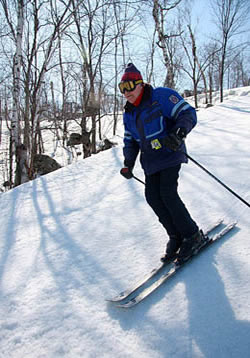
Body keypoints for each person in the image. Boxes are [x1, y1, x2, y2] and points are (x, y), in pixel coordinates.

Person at [119, 63, 207, 263]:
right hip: (150, 162)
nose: (126, 93)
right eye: (122, 88)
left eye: (130, 86)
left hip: (170, 152)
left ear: (141, 84)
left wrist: (179, 133)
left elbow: (187, 113)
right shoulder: (129, 113)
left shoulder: (161, 96)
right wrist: (128, 163)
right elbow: (130, 140)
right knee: (153, 197)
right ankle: (176, 236)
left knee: (167, 193)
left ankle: (192, 235)